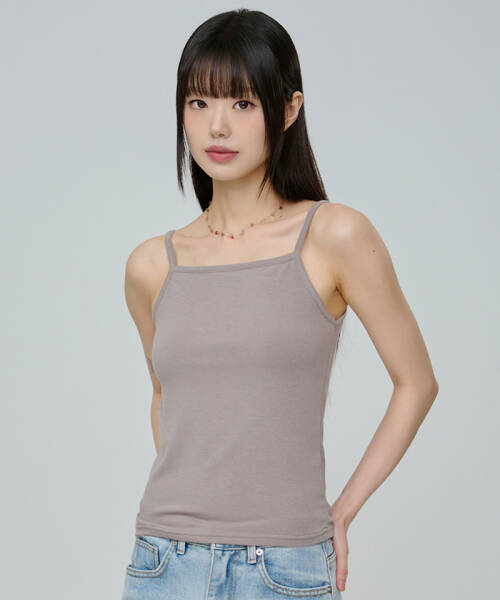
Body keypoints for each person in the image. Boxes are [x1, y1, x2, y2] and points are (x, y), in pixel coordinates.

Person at [121, 8, 439, 600]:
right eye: (198, 102)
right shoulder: (151, 265)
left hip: (286, 568)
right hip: (164, 563)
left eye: (242, 103)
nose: (217, 126)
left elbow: (416, 383)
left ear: (290, 109)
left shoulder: (334, 236)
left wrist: (340, 513)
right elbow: (165, 396)